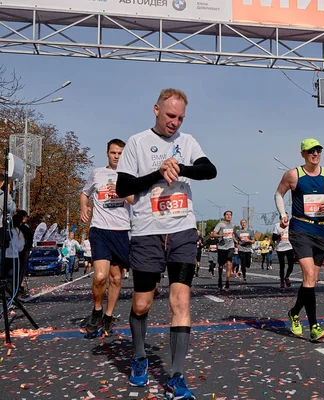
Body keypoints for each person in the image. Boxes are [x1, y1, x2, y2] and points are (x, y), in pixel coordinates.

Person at [115, 88, 217, 399]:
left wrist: (181, 168)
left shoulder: (187, 143)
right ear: (157, 109)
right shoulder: (137, 142)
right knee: (142, 304)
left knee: (180, 302)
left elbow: (209, 170)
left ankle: (176, 375)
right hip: (148, 231)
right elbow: (123, 186)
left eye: (181, 118)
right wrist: (158, 173)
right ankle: (140, 356)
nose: (175, 122)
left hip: (183, 230)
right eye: (170, 116)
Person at [275, 138, 324, 342]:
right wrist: (282, 214)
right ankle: (314, 326)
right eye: (311, 151)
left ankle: (294, 313)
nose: (316, 153)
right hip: (300, 229)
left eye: (319, 150)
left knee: (311, 280)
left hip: (321, 232)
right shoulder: (293, 175)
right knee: (307, 275)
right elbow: (279, 194)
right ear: (303, 154)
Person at [80, 138, 132, 337]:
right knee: (100, 277)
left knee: (116, 278)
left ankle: (108, 315)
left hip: (120, 230)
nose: (117, 156)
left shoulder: (129, 175)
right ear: (107, 153)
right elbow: (85, 193)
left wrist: (121, 191)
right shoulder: (97, 173)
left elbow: (135, 200)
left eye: (120, 153)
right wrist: (84, 207)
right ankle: (97, 310)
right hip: (100, 229)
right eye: (113, 152)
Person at [211, 211, 236, 291]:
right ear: (224, 216)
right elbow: (213, 234)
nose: (229, 216)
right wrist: (221, 235)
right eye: (227, 215)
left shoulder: (232, 225)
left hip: (230, 246)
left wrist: (235, 240)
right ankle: (220, 279)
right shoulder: (220, 224)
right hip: (222, 247)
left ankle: (227, 281)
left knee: (229, 262)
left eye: (230, 215)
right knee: (221, 264)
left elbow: (232, 234)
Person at [273, 218, 294, 288]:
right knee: (282, 266)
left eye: (287, 218)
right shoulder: (277, 225)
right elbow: (273, 238)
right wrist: (279, 235)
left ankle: (287, 277)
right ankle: (282, 281)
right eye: (284, 218)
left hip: (289, 247)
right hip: (280, 248)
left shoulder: (290, 225)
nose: (286, 220)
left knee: (291, 264)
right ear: (281, 219)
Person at [234, 219, 254, 284]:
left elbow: (253, 241)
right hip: (241, 249)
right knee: (243, 263)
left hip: (248, 249)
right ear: (240, 224)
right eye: (242, 223)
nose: (243, 224)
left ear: (246, 223)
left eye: (244, 223)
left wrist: (249, 240)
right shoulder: (238, 232)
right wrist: (237, 245)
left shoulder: (250, 231)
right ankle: (244, 277)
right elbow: (236, 240)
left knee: (248, 264)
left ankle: (245, 268)